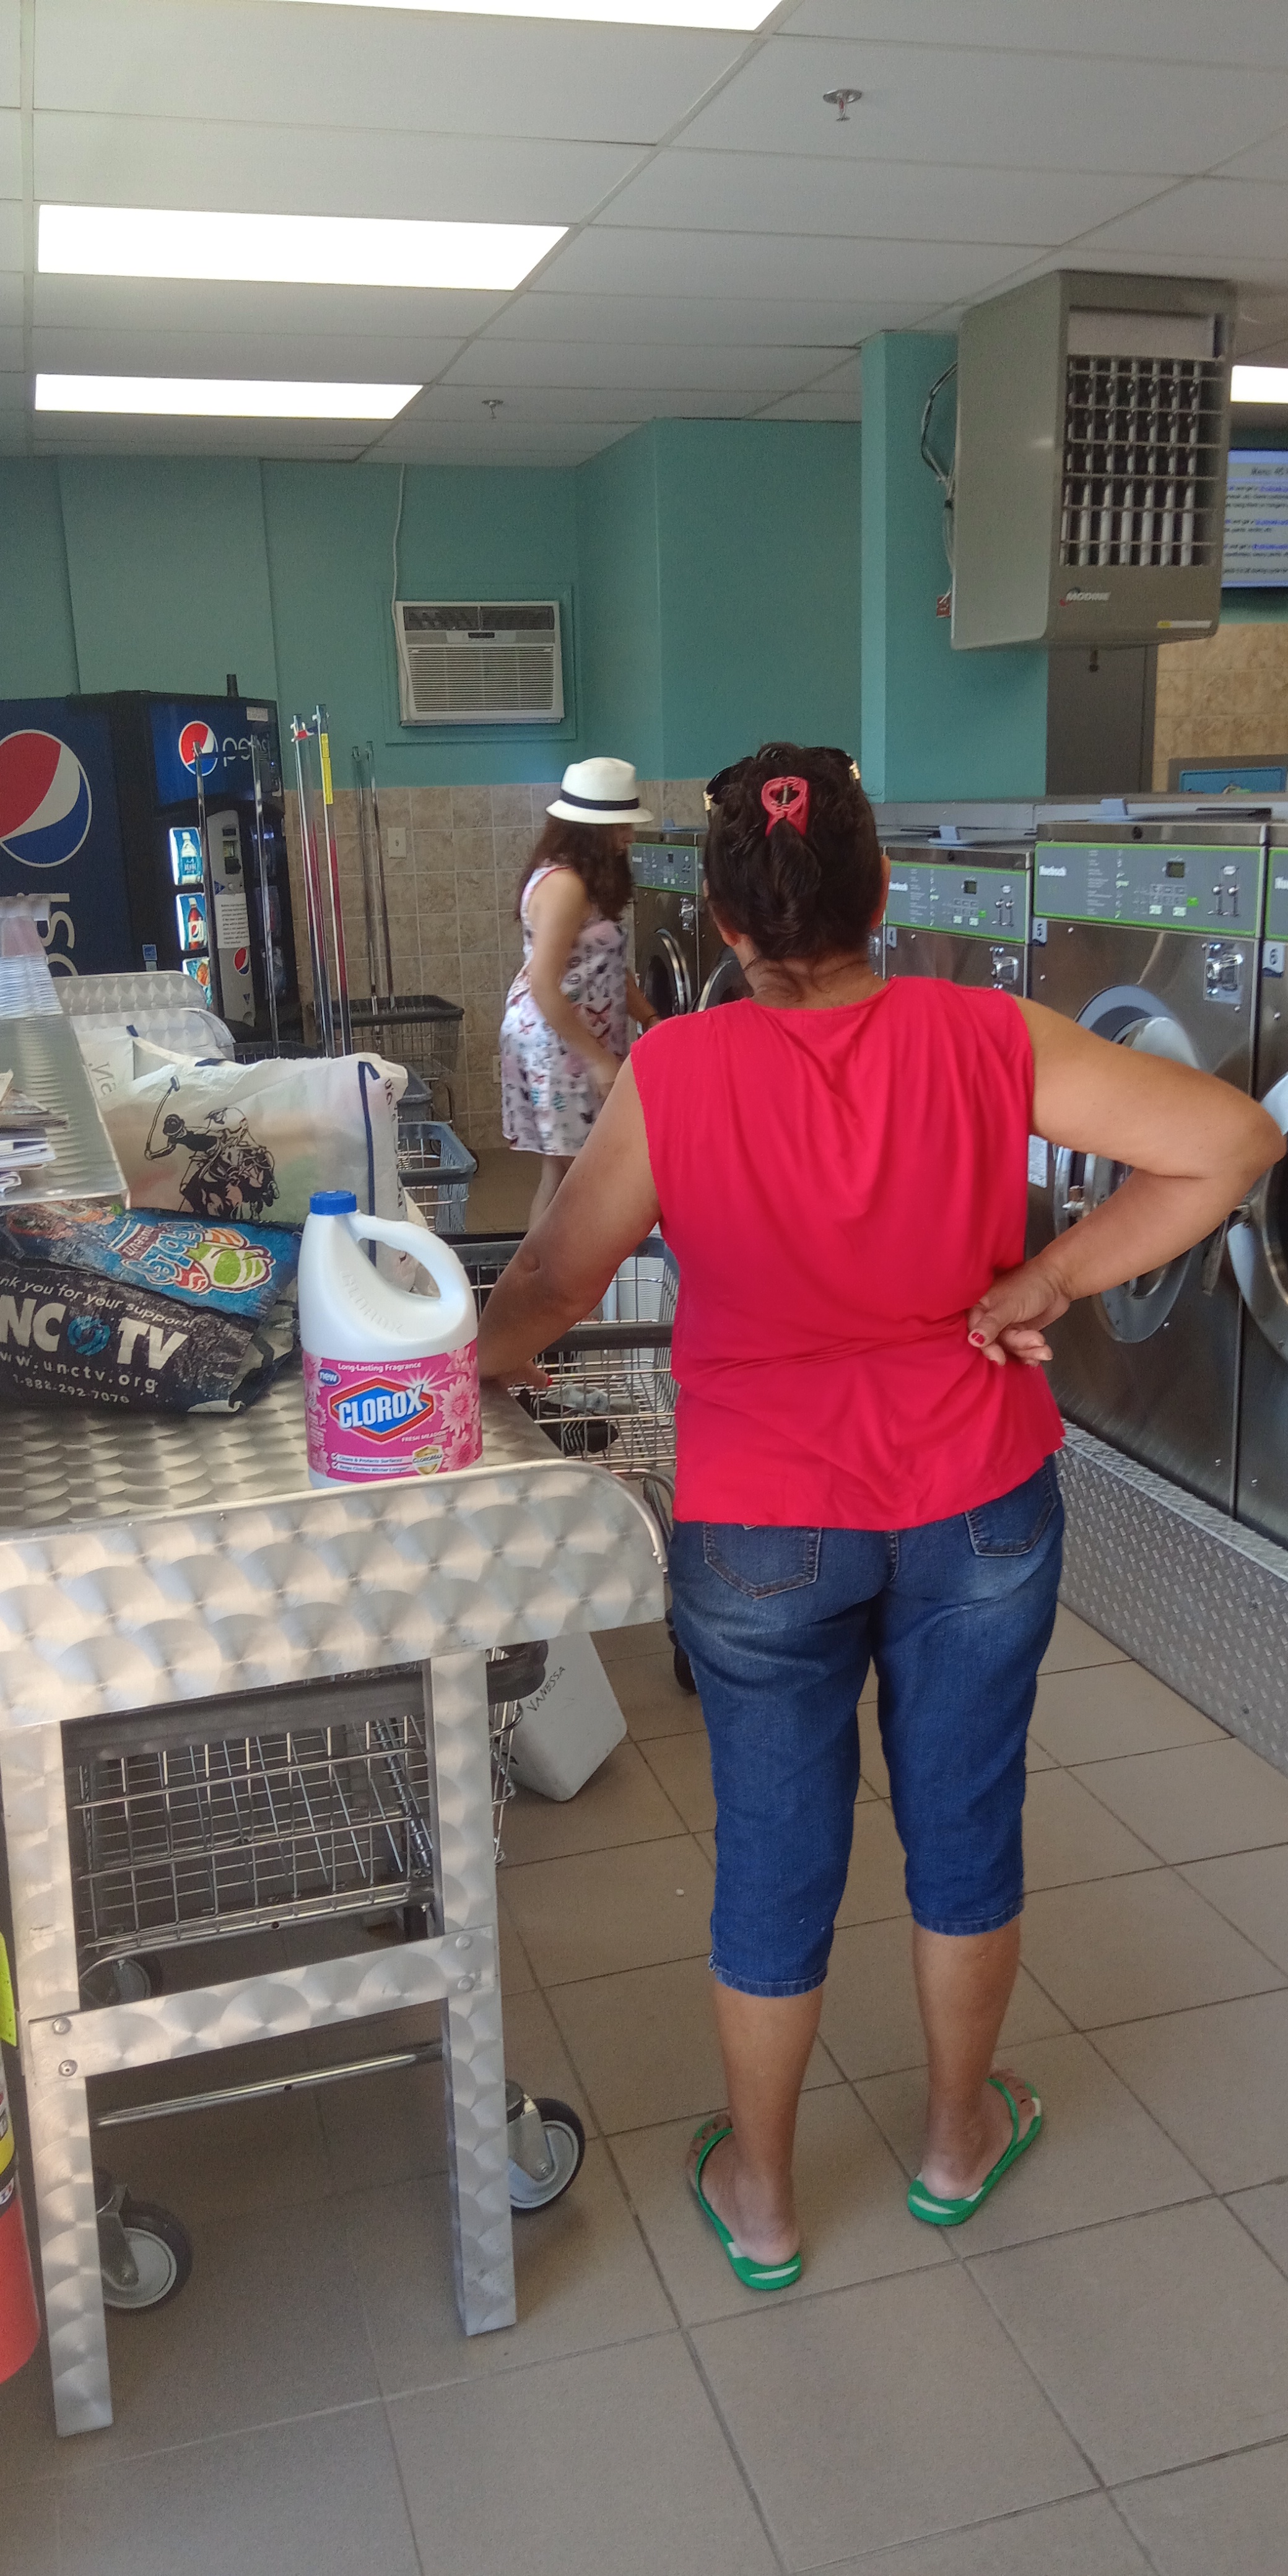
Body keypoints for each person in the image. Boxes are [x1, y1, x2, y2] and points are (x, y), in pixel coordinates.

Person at [477, 741, 1282, 2287]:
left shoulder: (678, 1072)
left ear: (719, 919)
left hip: (759, 1527)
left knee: (775, 1859)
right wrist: (1045, 1279)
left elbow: (556, 1285)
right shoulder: (990, 1034)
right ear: (887, 894)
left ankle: (766, 2202)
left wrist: (455, 1372)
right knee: (962, 1831)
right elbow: (1234, 1142)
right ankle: (955, 2140)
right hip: (974, 1499)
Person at [500, 757, 658, 1226]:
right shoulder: (565, 886)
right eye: (622, 826)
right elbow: (546, 986)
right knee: (580, 1182)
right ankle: (558, 1290)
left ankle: (543, 1289)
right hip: (558, 1046)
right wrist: (596, 1059)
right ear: (592, 830)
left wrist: (649, 1017)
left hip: (573, 1039)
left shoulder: (584, 882)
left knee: (562, 1177)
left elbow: (605, 969)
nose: (629, 835)